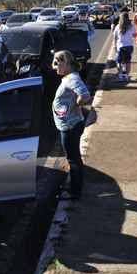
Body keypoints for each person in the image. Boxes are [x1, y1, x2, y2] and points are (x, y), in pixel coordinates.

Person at [52, 50, 91, 200]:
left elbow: (85, 95)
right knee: (73, 157)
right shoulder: (68, 77)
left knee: (73, 159)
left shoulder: (72, 78)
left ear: (66, 63)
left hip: (71, 126)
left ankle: (75, 191)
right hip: (69, 123)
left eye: (57, 62)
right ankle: (75, 186)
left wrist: (77, 103)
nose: (54, 65)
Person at [113, 12, 136, 81]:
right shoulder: (131, 26)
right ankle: (126, 75)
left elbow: (115, 37)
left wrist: (115, 46)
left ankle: (120, 75)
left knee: (119, 61)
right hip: (129, 46)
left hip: (121, 46)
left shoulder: (118, 26)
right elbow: (135, 35)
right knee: (128, 61)